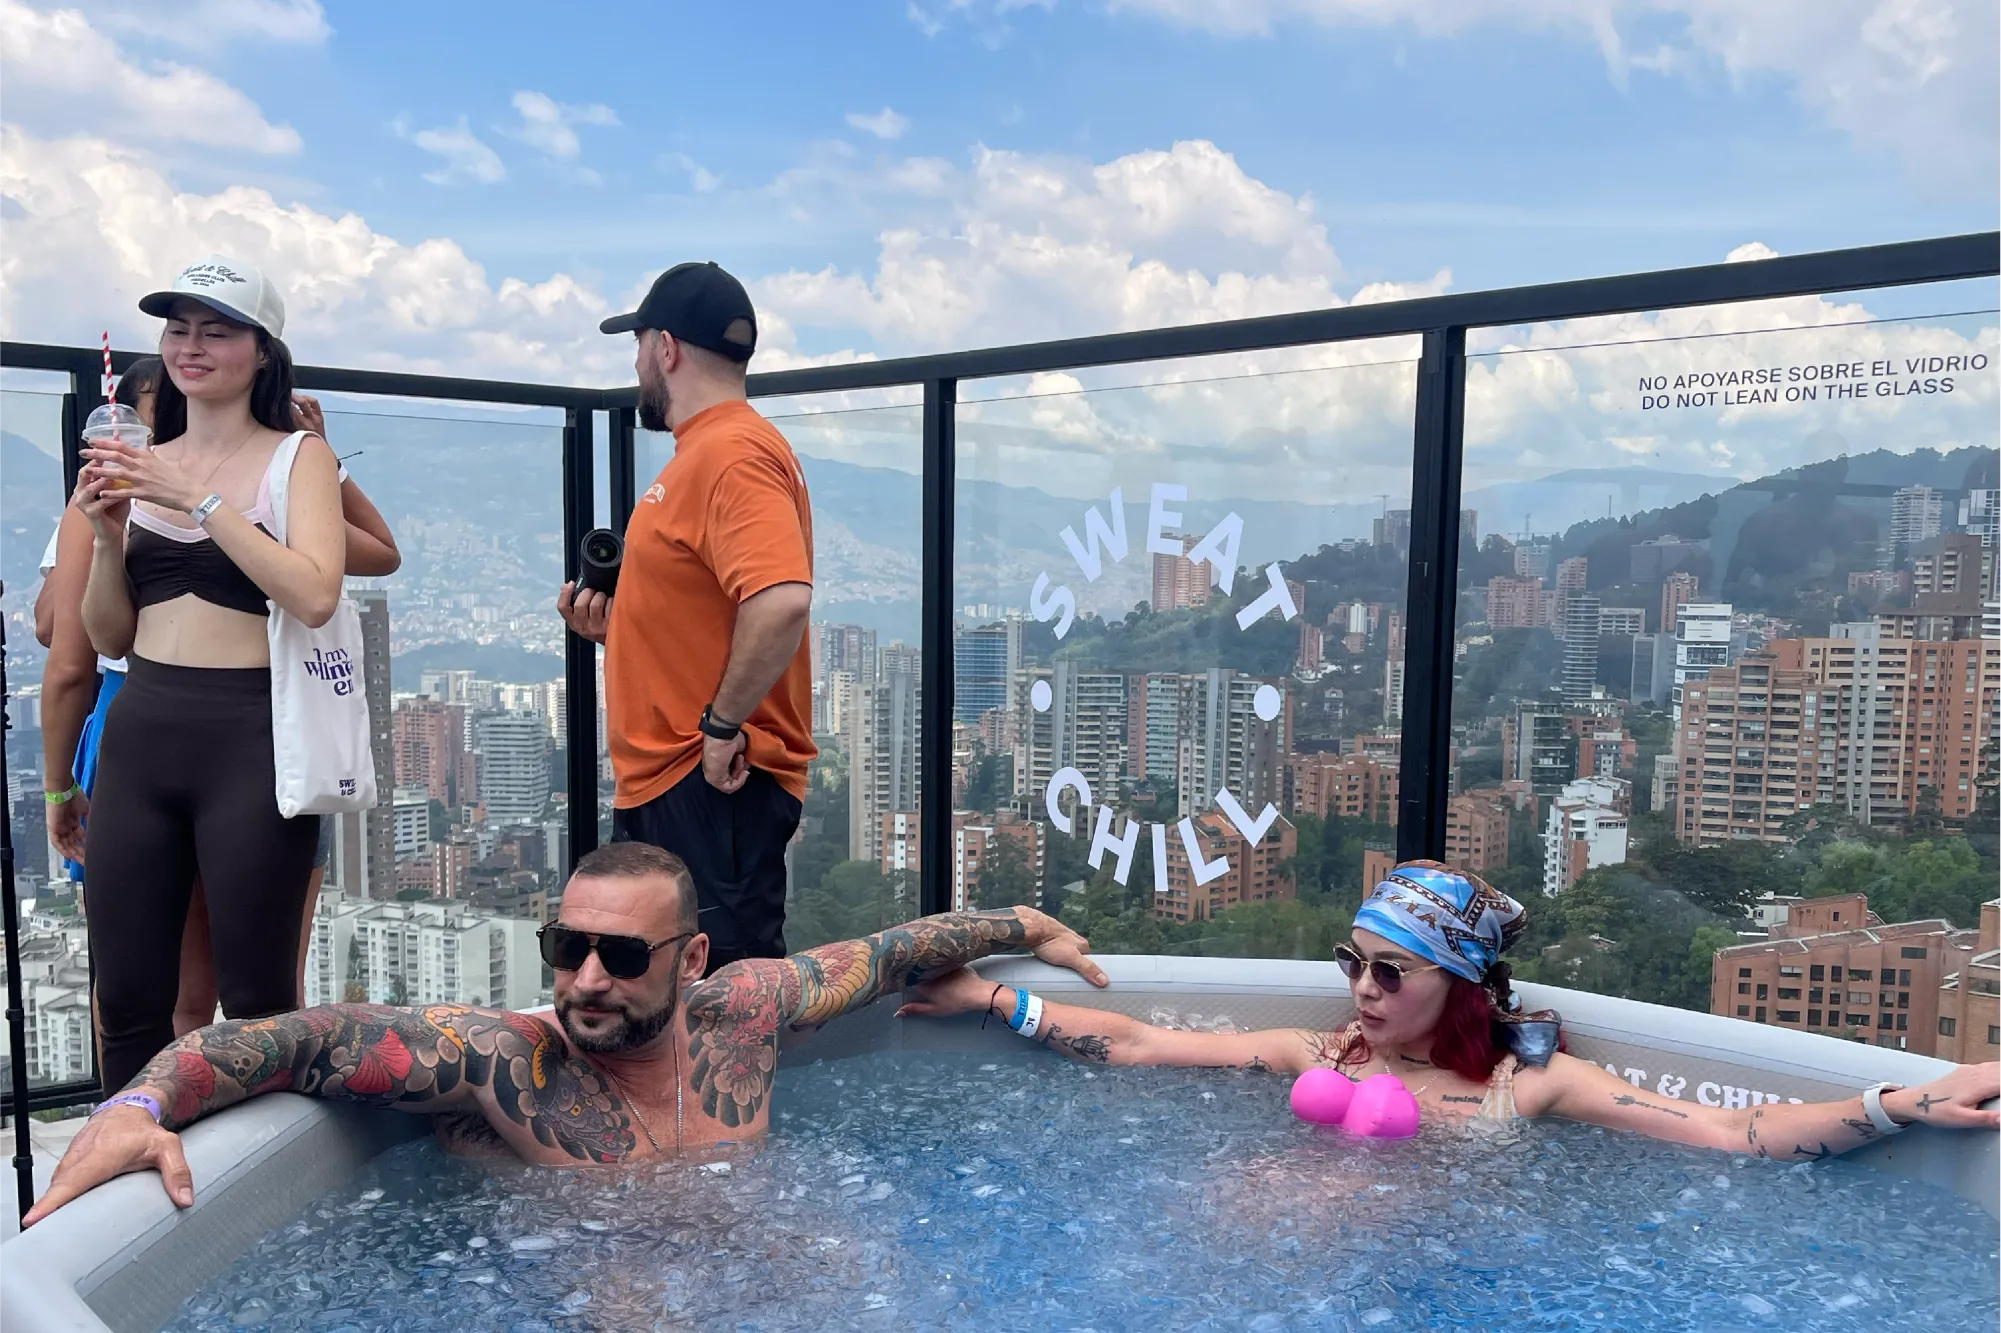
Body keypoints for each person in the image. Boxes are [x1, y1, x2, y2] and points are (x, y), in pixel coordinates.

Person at [22, 843, 1109, 1224]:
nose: (586, 979)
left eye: (622, 955)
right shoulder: (505, 1062)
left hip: (764, 1248)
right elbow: (299, 1038)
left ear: (692, 957)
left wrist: (1027, 925)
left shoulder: (745, 1012)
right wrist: (137, 1102)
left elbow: (890, 951)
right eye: (567, 945)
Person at [899, 861, 2001, 1158]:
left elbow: (1733, 1132)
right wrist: (993, 996)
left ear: (1461, 985)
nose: (1362, 989)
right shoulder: (1317, 1050)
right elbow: (1142, 1044)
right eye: (1354, 963)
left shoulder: (1530, 1087)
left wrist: (1900, 1102)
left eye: (1392, 972)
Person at [38, 369, 400, 1035]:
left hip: (223, 737)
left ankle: (186, 1100)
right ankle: (183, 1103)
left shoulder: (276, 480)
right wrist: (108, 539)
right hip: (175, 734)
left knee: (214, 994)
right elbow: (82, 636)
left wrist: (314, 464)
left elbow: (360, 565)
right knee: (193, 993)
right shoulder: (113, 494)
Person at [74, 254, 346, 1094]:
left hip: (250, 738)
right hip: (141, 733)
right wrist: (108, 539)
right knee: (126, 996)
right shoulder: (142, 457)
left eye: (217, 331)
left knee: (258, 1000)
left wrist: (195, 498)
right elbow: (109, 633)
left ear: (262, 351)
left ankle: (254, 1165)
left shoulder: (296, 459)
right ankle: (127, 1149)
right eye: (178, 329)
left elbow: (315, 593)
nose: (191, 347)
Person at [558, 261, 815, 975]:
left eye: (638, 344)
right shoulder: (709, 452)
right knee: (666, 991)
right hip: (680, 780)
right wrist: (620, 630)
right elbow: (713, 610)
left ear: (665, 348)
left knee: (725, 995)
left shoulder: (731, 454)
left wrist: (722, 727)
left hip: (709, 780)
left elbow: (781, 598)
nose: (637, 363)